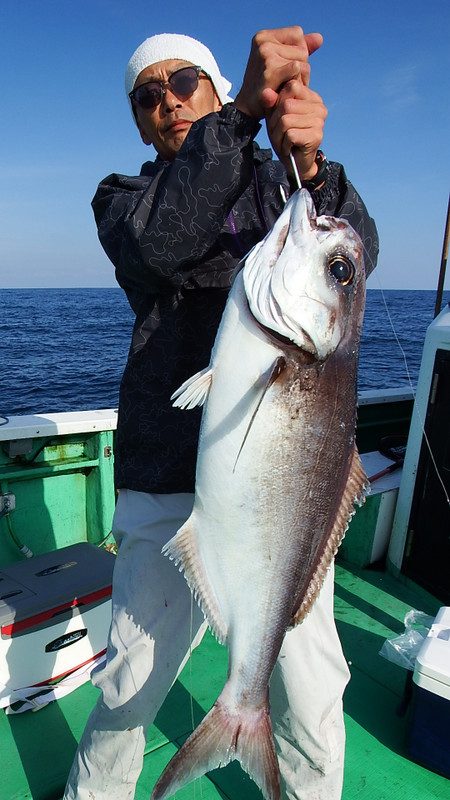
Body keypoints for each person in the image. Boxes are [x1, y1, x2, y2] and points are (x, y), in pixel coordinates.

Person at [63, 26, 378, 800]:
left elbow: (352, 257)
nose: (169, 103)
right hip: (164, 477)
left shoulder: (283, 192)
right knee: (130, 683)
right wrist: (238, 121)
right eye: (149, 96)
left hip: (285, 501)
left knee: (313, 694)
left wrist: (313, 165)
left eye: (185, 84)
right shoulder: (125, 200)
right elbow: (162, 242)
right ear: (140, 120)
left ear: (212, 88)